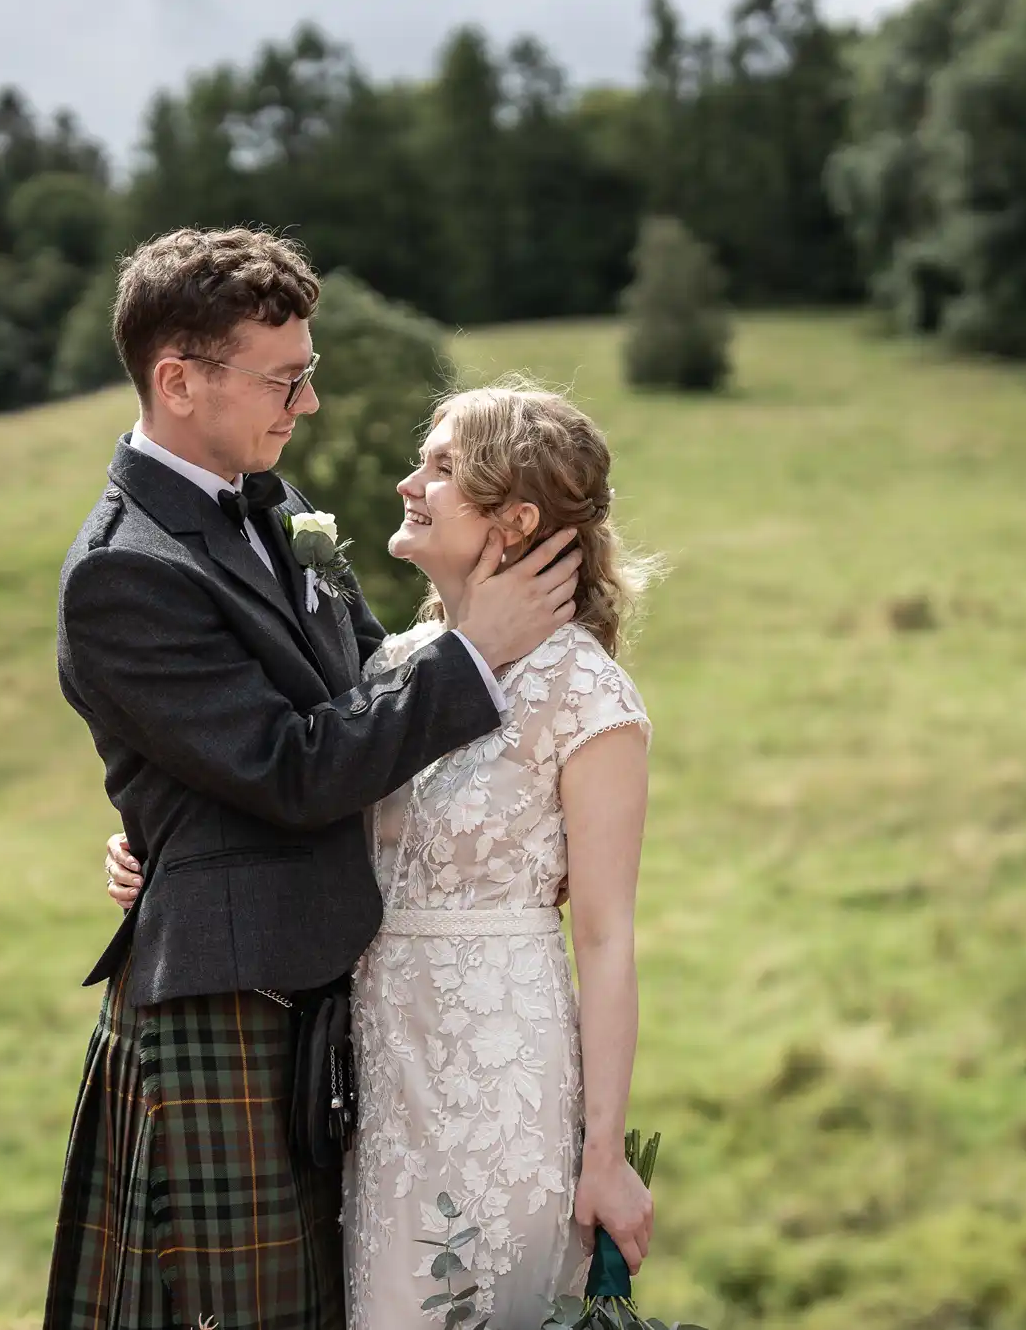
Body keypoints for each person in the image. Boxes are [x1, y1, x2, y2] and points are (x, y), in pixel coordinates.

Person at [43, 228, 580, 1330]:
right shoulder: (121, 572)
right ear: (177, 379)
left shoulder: (272, 507)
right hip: (227, 1002)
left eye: (309, 374)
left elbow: (358, 700)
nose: (309, 404)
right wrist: (470, 651)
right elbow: (292, 768)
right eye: (283, 380)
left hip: (321, 994)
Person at [106, 385, 658, 1327]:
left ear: (515, 518)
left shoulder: (584, 691)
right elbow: (303, 786)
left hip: (501, 1075)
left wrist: (602, 1156)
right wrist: (163, 853)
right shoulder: (398, 664)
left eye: (442, 468)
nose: (410, 482)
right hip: (382, 1081)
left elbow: (605, 939)